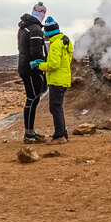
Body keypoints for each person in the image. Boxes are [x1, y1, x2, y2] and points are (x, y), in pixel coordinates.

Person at [30, 16, 73, 144]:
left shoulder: (55, 45)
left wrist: (40, 65)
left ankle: (59, 136)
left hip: (56, 80)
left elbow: (54, 64)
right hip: (64, 78)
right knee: (57, 107)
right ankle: (63, 134)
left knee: (55, 107)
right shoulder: (65, 41)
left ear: (48, 33)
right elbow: (65, 60)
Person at [16, 3, 48, 143]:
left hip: (24, 66)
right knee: (32, 99)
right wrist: (43, 64)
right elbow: (36, 52)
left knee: (32, 99)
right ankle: (29, 135)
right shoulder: (35, 29)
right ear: (43, 14)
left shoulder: (23, 28)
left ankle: (30, 132)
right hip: (31, 69)